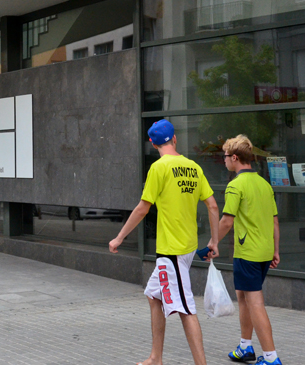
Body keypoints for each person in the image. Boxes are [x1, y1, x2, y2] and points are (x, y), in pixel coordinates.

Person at [109, 119, 220, 365]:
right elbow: (212, 205)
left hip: (171, 250)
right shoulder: (193, 167)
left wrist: (119, 237)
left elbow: (142, 208)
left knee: (185, 309)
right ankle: (155, 358)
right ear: (175, 139)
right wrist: (214, 240)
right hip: (186, 247)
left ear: (152, 143)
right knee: (154, 295)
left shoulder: (159, 168)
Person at [207, 134, 282, 365]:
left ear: (236, 158)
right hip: (264, 251)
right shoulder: (264, 184)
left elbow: (227, 221)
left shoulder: (235, 185)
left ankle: (270, 358)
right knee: (243, 297)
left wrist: (213, 242)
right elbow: (275, 221)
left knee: (255, 302)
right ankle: (245, 347)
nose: (224, 160)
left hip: (247, 252)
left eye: (226, 156)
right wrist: (276, 251)